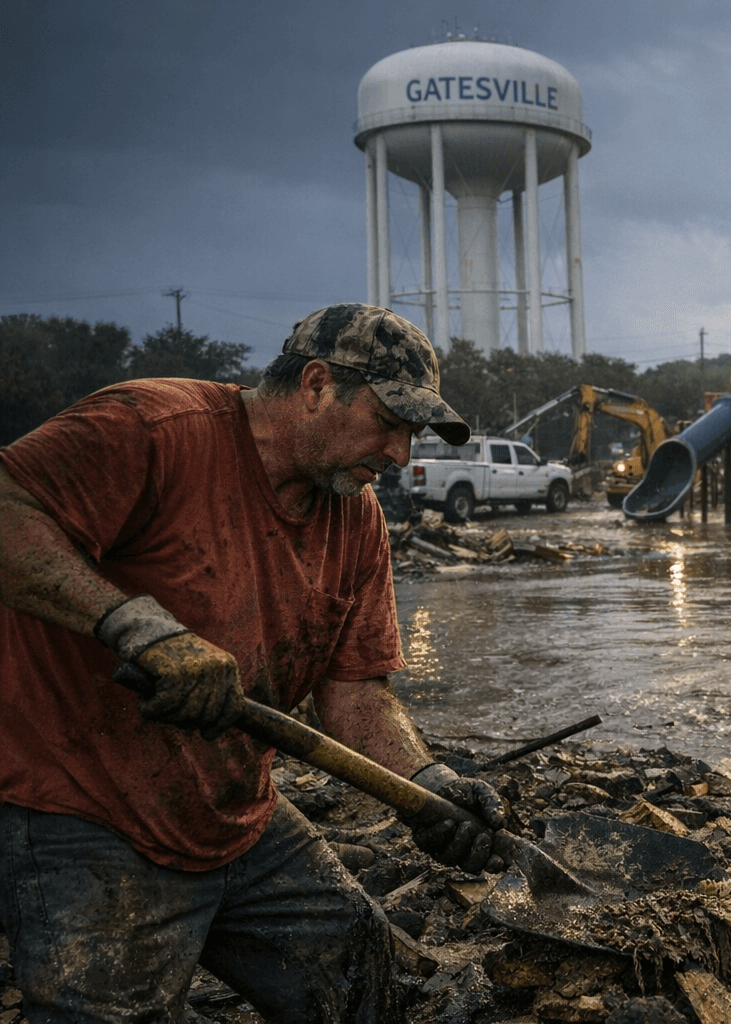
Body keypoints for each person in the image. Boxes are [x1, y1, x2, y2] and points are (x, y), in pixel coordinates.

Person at [0, 304, 508, 1023]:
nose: (400, 453)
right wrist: (133, 625)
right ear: (315, 384)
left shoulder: (355, 517)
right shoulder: (153, 429)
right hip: (82, 803)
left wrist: (426, 782)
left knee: (359, 967)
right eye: (389, 422)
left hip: (232, 812)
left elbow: (357, 694)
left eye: (413, 434)